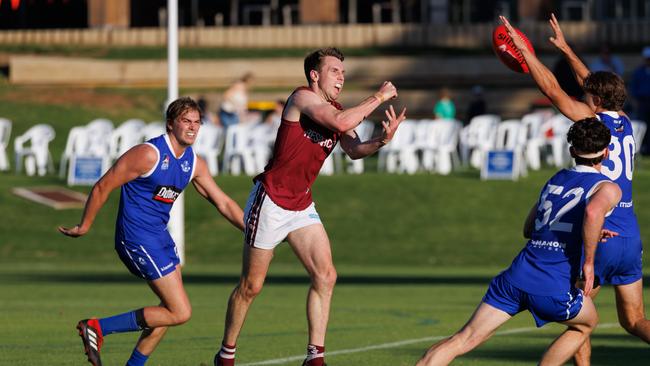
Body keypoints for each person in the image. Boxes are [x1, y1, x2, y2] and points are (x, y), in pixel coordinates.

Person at [213, 47, 406, 366]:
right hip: (271, 200)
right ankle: (226, 355)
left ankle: (315, 358)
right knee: (251, 286)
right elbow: (341, 122)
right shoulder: (301, 98)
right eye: (334, 71)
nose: (341, 77)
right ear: (315, 75)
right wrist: (379, 96)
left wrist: (382, 141)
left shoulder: (337, 109)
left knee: (326, 275)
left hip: (301, 205)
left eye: (343, 72)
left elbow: (355, 149)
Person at [501, 14, 650, 365]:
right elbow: (594, 86)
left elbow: (552, 90)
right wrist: (567, 49)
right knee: (635, 320)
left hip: (601, 233)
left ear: (594, 101)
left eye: (587, 94)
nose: (583, 93)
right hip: (629, 234)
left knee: (577, 318)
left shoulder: (591, 122)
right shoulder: (624, 121)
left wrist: (527, 52)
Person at [417, 118, 621, 366]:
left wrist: (586, 232)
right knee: (587, 325)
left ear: (572, 151)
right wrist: (588, 262)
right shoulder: (608, 188)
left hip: (516, 277)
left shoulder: (555, 180)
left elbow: (529, 229)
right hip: (552, 286)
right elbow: (592, 213)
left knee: (464, 338)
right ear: (607, 151)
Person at [59, 97, 245, 366]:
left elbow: (224, 203)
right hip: (135, 237)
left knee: (167, 311)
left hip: (160, 238)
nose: (192, 127)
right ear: (170, 124)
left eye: (197, 122)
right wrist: (85, 225)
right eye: (185, 121)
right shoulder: (149, 154)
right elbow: (103, 185)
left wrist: (254, 230)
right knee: (180, 312)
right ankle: (97, 328)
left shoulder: (194, 163)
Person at [629, 46, 650, 153]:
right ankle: (643, 148)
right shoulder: (639, 72)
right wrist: (635, 102)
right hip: (642, 102)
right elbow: (634, 88)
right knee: (643, 124)